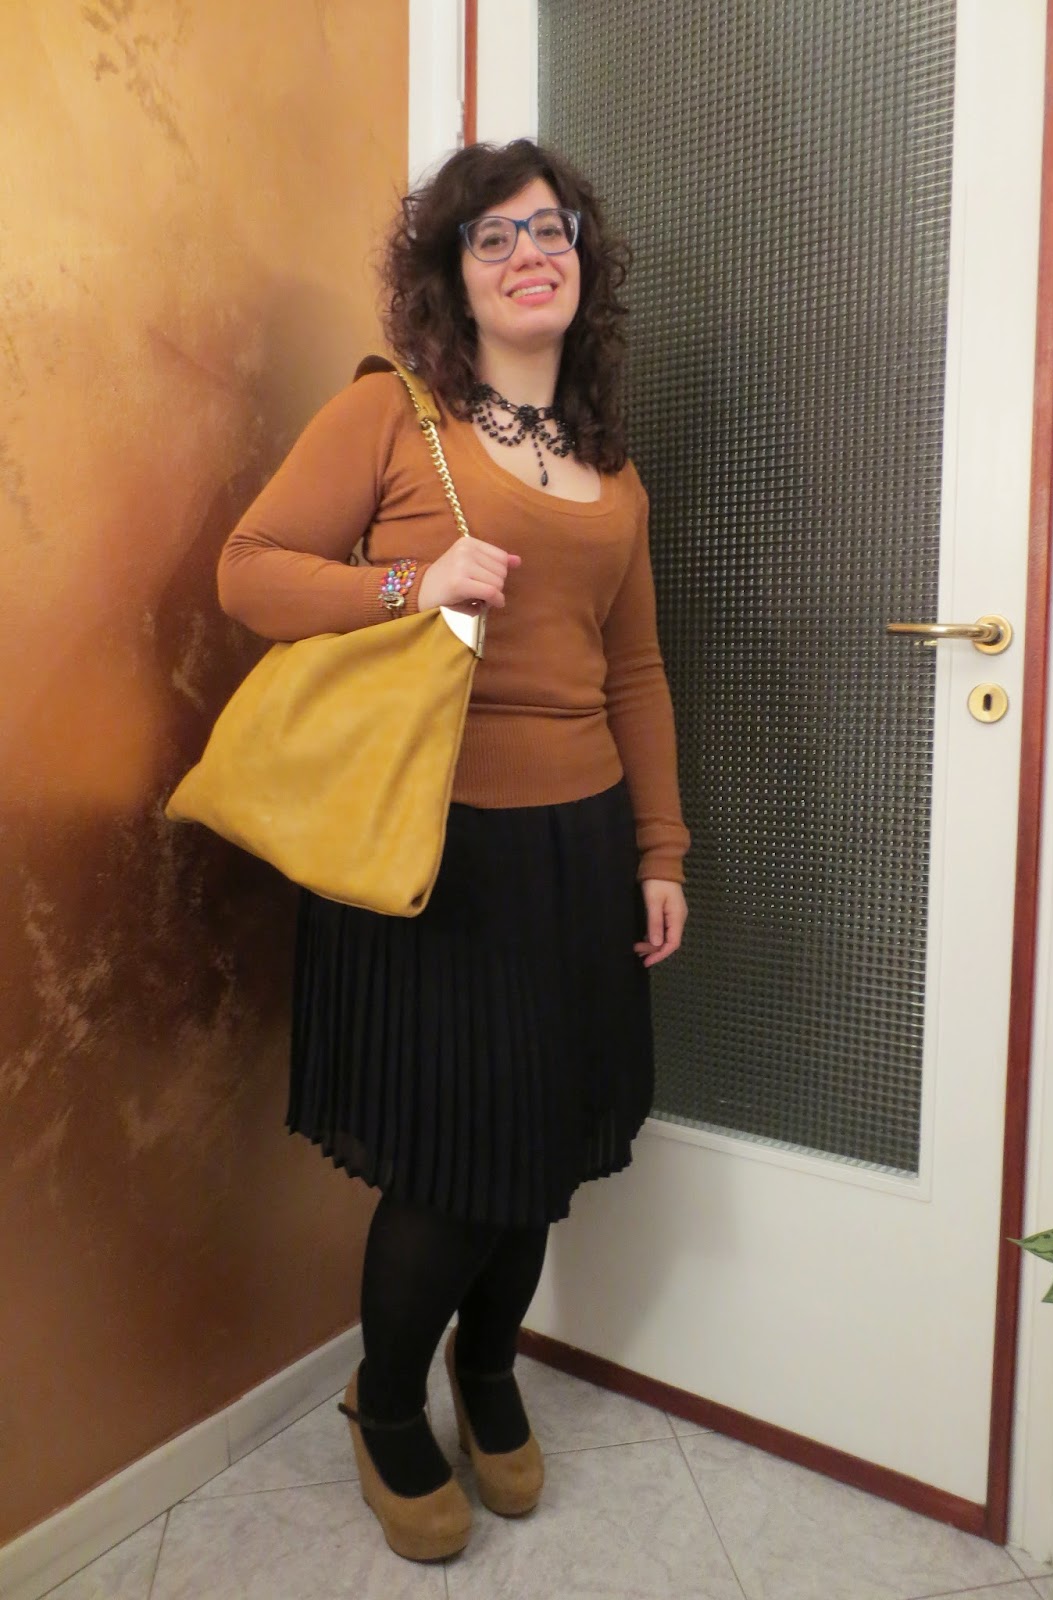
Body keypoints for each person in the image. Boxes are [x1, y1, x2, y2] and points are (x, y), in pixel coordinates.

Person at [216, 139, 689, 1562]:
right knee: (451, 1160)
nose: (531, 252)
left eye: (553, 230)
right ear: (453, 275)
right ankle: (383, 1401)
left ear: (584, 263)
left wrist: (660, 850)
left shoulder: (611, 467)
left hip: (578, 845)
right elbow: (249, 573)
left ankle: (488, 1372)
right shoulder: (392, 415)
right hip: (431, 845)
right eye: (495, 237)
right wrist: (413, 582)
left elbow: (637, 669)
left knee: (539, 1147)